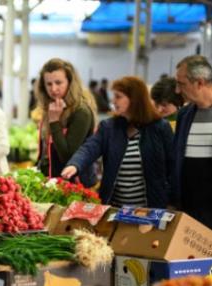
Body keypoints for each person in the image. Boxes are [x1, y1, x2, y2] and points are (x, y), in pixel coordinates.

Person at [62, 76, 173, 208]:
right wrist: (75, 164)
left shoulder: (160, 128)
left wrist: (171, 199)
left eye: (118, 96)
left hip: (149, 210)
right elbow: (90, 147)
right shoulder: (108, 127)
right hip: (115, 209)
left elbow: (172, 165)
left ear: (134, 99)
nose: (113, 101)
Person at [33, 58, 97, 185]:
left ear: (70, 82)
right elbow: (45, 150)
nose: (53, 89)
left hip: (74, 184)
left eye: (58, 83)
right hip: (50, 180)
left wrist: (54, 121)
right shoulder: (50, 107)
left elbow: (68, 157)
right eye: (49, 84)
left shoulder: (81, 112)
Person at [172, 55, 212, 228]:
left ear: (200, 83)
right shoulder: (184, 115)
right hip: (188, 207)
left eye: (182, 84)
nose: (177, 90)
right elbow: (176, 159)